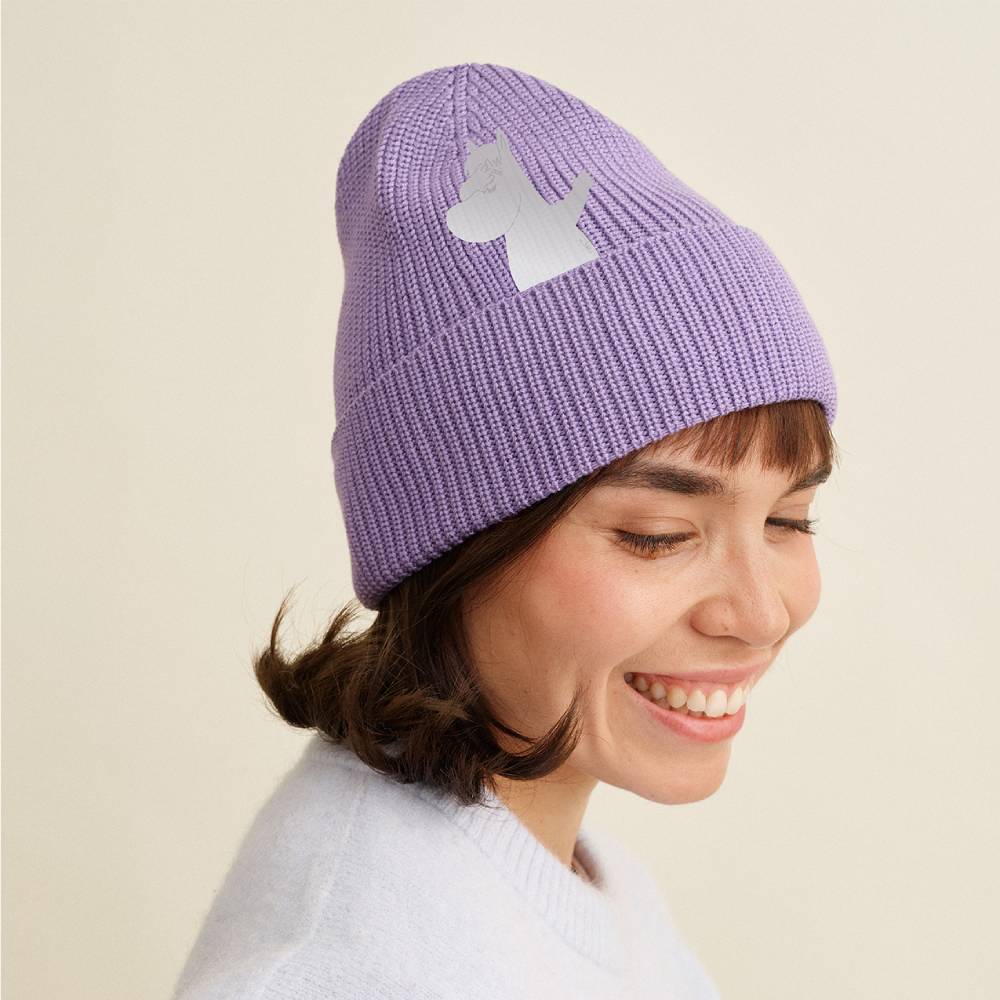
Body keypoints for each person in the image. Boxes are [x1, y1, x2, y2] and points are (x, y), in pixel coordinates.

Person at [170, 61, 839, 1000]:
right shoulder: (342, 971)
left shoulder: (573, 884)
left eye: (787, 519)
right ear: (454, 544)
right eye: (658, 534)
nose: (762, 613)